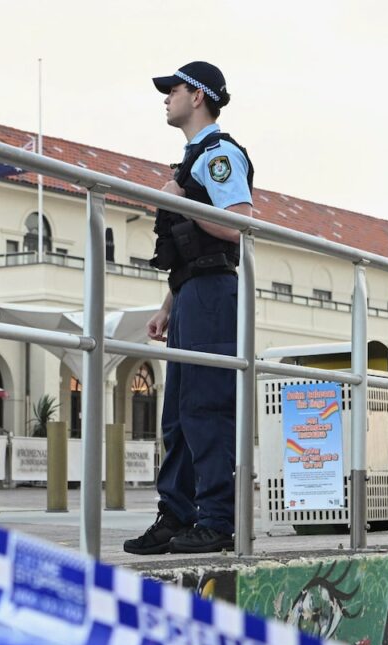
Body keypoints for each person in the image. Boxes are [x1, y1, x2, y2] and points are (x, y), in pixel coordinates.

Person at [123, 62, 254, 555]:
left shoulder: (218, 154)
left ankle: (217, 520)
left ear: (198, 96)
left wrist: (181, 200)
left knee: (207, 408)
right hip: (191, 293)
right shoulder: (191, 160)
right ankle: (176, 515)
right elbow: (189, 250)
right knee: (177, 415)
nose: (166, 97)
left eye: (173, 89)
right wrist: (168, 305)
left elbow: (238, 225)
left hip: (214, 295)